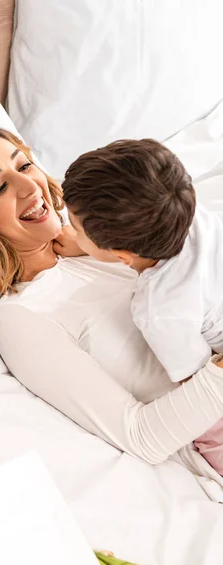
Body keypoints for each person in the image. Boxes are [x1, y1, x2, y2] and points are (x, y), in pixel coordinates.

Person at [0, 122, 223, 488]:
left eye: (24, 166)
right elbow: (142, 437)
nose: (29, 187)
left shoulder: (116, 231)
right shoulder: (23, 316)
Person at [61, 138, 223, 474]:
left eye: (76, 230)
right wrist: (86, 245)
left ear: (121, 256)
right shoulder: (190, 217)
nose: (71, 233)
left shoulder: (159, 308)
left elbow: (199, 382)